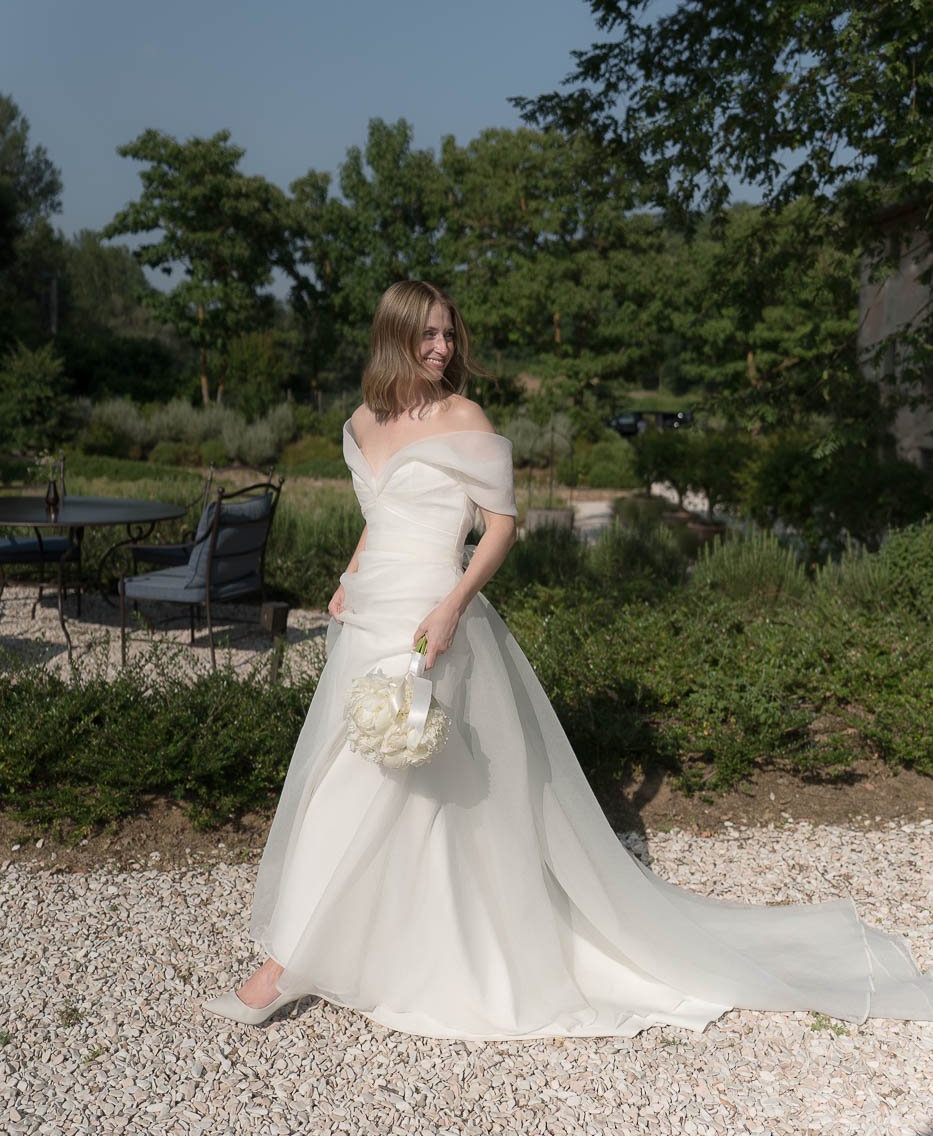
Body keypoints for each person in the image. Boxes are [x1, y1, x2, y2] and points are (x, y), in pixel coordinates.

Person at [204, 280, 933, 1036]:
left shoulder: (464, 418)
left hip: (430, 617)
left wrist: (452, 606)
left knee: (377, 783)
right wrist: (347, 575)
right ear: (393, 335)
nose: (443, 348)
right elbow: (379, 511)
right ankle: (376, 948)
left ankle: (283, 970)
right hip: (368, 616)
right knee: (356, 780)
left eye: (449, 334)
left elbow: (500, 527)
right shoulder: (363, 421)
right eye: (427, 334)